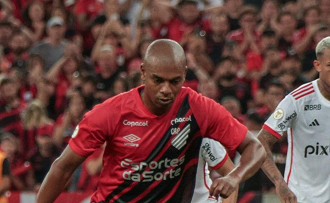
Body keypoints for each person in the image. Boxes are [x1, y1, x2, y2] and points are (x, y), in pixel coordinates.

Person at [36, 39, 266, 202]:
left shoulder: (199, 108)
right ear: (143, 72)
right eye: (158, 80)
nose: (166, 89)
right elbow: (62, 168)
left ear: (185, 75)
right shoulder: (109, 113)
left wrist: (235, 177)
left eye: (175, 81)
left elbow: (255, 147)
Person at [257, 36, 330, 203]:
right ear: (317, 66)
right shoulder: (298, 100)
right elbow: (261, 141)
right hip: (303, 197)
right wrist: (279, 183)